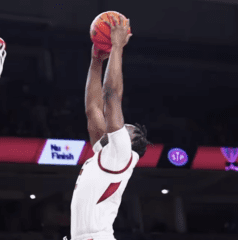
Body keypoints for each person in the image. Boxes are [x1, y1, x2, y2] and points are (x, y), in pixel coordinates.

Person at [65, 15, 151, 240]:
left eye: (125, 128)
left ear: (130, 141)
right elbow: (93, 109)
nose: (118, 128)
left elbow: (111, 96)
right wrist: (96, 60)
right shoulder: (106, 155)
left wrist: (117, 47)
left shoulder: (122, 154)